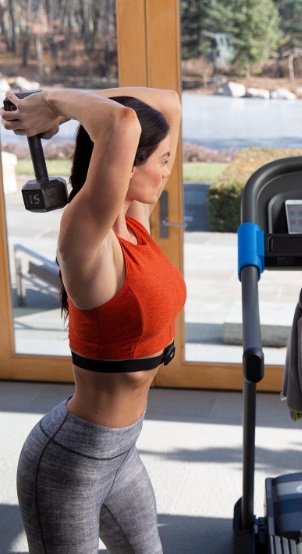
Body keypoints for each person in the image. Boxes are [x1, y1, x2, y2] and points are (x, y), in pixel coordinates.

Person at [1, 87, 186, 553]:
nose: (168, 171)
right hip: (70, 461)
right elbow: (122, 123)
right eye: (162, 161)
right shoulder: (87, 239)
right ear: (127, 165)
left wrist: (49, 113)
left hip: (120, 452)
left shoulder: (135, 222)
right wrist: (51, 101)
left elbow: (168, 102)